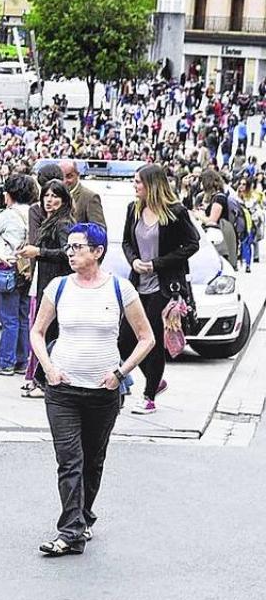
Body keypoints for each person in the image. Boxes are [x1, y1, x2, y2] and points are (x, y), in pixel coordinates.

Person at [30, 223, 155, 557]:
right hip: (63, 390)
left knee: (92, 459)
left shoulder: (120, 289)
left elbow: (147, 338)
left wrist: (121, 372)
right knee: (69, 460)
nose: (70, 253)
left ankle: (83, 516)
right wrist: (48, 368)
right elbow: (37, 332)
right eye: (69, 247)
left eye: (78, 247)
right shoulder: (57, 287)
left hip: (103, 392)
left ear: (97, 251)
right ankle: (70, 531)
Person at [121, 164, 200, 415]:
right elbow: (126, 242)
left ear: (152, 185)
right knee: (125, 341)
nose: (134, 186)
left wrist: (157, 264)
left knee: (152, 341)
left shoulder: (175, 212)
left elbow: (192, 244)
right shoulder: (133, 210)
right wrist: (133, 260)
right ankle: (155, 380)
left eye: (138, 182)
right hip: (138, 284)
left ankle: (149, 394)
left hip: (163, 287)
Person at [18, 180, 76, 399]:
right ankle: (41, 378)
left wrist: (39, 252)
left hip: (56, 282)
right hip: (47, 282)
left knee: (48, 332)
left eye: (55, 196)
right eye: (46, 196)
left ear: (64, 199)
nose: (49, 201)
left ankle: (43, 380)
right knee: (46, 331)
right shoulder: (51, 220)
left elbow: (66, 252)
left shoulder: (63, 223)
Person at [0, 174, 35, 377]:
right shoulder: (34, 212)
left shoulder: (8, 215)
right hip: (26, 270)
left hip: (9, 267)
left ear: (8, 195)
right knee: (23, 317)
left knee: (9, 319)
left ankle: (5, 361)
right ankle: (22, 359)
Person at [59, 160, 107, 229]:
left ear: (78, 175)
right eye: (61, 177)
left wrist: (79, 232)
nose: (65, 181)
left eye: (69, 176)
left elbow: (100, 230)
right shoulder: (54, 195)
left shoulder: (90, 197)